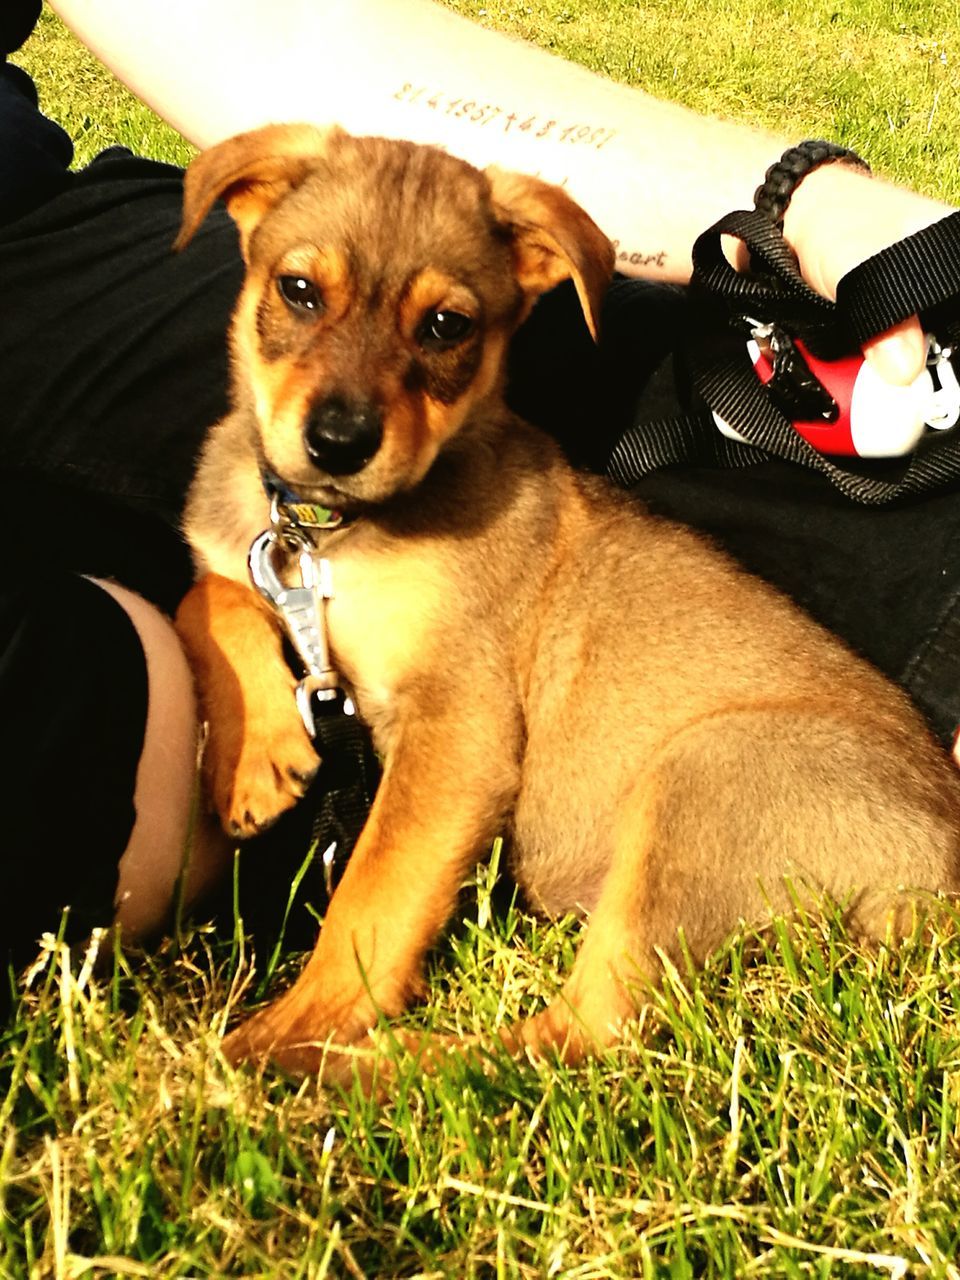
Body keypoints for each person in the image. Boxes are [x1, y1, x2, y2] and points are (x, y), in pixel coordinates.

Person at [2, 0, 959, 984]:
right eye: (299, 297)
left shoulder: (386, 245)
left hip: (33, 227)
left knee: (725, 391)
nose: (350, 410)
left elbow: (271, 33)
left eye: (442, 329)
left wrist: (801, 203)